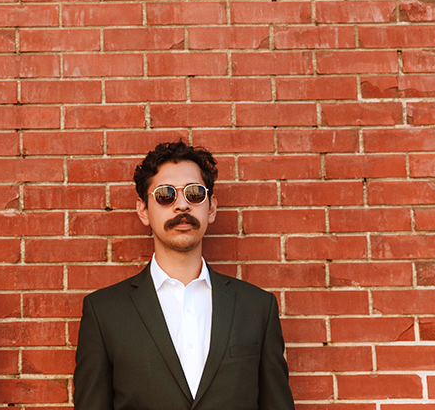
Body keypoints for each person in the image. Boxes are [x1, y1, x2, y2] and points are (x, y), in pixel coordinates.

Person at [73, 141, 295, 410]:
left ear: (211, 208)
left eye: (194, 194)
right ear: (143, 210)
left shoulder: (257, 308)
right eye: (166, 195)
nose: (182, 206)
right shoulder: (104, 312)